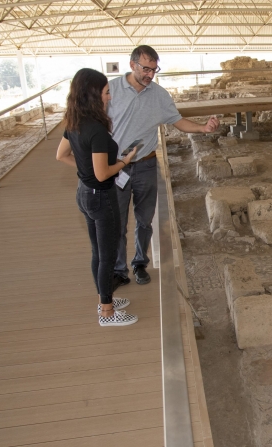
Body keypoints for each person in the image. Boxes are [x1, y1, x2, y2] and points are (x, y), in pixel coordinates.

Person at [109, 45, 219, 289]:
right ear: (132, 65)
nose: (150, 74)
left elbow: (177, 121)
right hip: (116, 167)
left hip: (146, 165)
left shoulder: (159, 95)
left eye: (154, 70)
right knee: (116, 221)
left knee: (144, 219)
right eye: (145, 69)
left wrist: (203, 127)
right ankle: (118, 269)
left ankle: (140, 263)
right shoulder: (112, 90)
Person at [56, 68, 139, 327]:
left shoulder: (73, 121)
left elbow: (61, 155)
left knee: (97, 252)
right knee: (107, 255)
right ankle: (107, 312)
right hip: (101, 198)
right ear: (93, 95)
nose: (109, 97)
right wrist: (124, 161)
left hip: (83, 193)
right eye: (106, 92)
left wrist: (86, 172)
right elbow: (103, 173)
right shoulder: (97, 130)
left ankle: (105, 298)